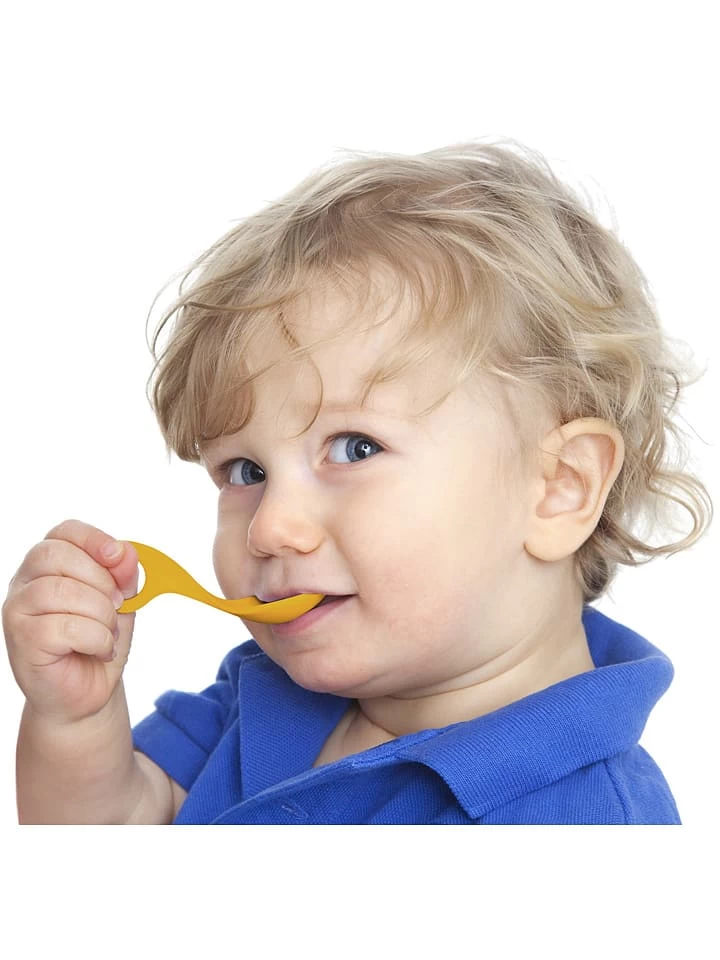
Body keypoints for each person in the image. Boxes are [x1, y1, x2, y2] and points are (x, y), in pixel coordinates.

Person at [3, 139, 713, 824]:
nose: (270, 527)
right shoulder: (258, 696)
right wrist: (75, 722)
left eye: (354, 448)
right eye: (246, 472)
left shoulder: (587, 826)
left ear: (559, 487)